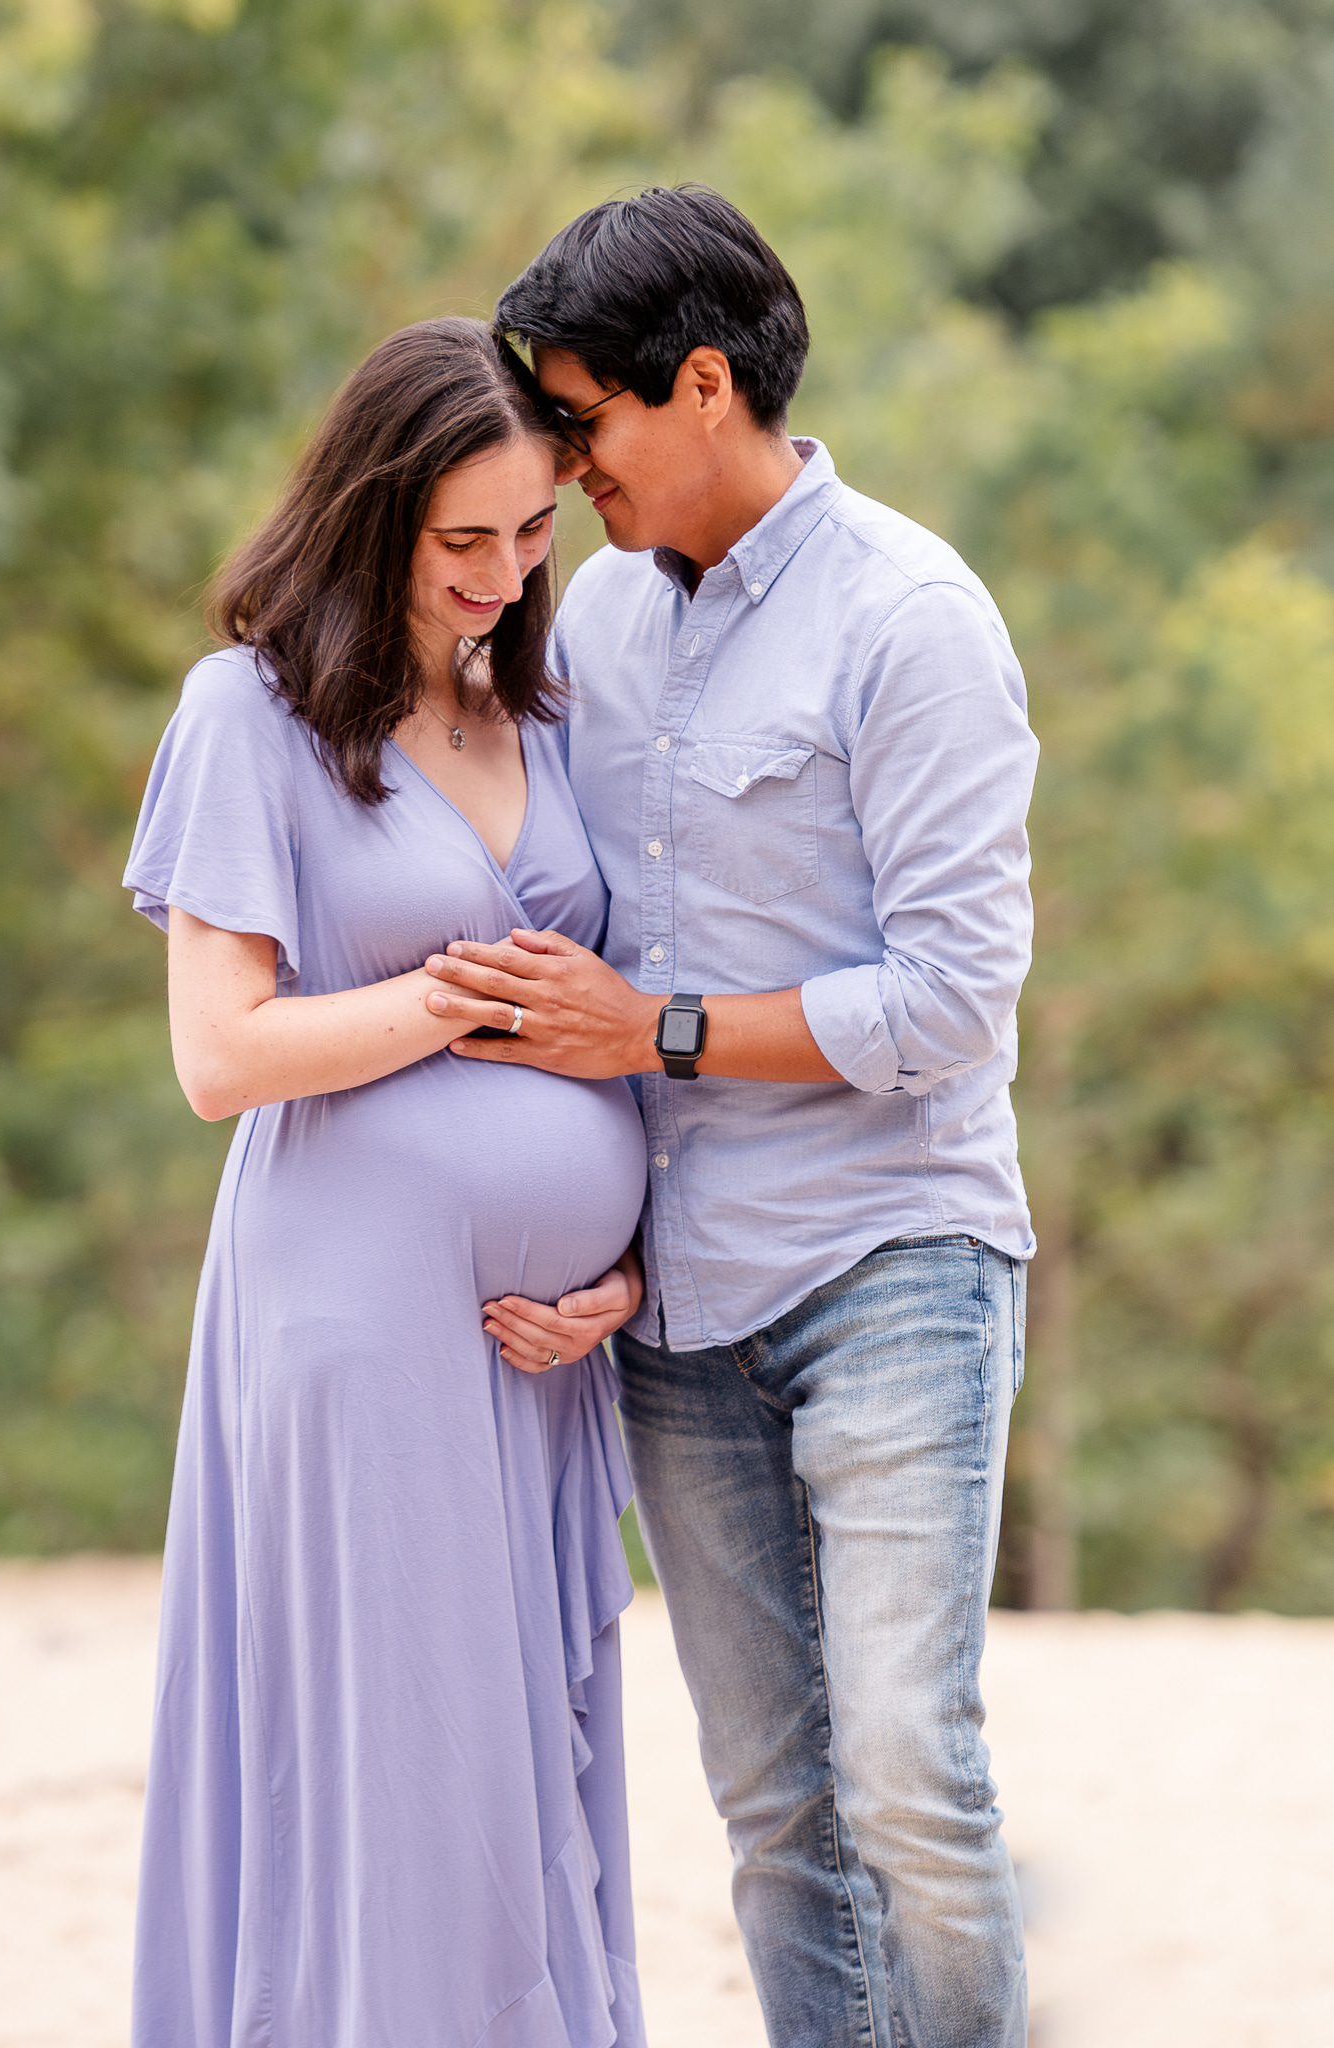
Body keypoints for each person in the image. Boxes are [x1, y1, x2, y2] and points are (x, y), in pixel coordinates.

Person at [424, 188, 1039, 2048]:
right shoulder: (591, 627)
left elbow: (951, 1000)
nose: (566, 465)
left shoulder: (911, 620)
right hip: (680, 1316)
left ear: (705, 387)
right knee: (777, 1818)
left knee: (909, 1783)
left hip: (892, 1265)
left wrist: (658, 1031)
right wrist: (603, 1248)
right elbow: (573, 938)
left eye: (587, 419)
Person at [122, 317, 650, 2048]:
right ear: (371, 518)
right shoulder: (249, 717)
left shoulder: (545, 713)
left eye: (530, 534)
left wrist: (621, 1281)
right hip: (355, 1315)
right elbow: (221, 1057)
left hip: (541, 1352)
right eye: (462, 542)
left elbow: (614, 1031)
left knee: (525, 1771)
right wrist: (438, 998)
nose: (503, 576)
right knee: (402, 1762)